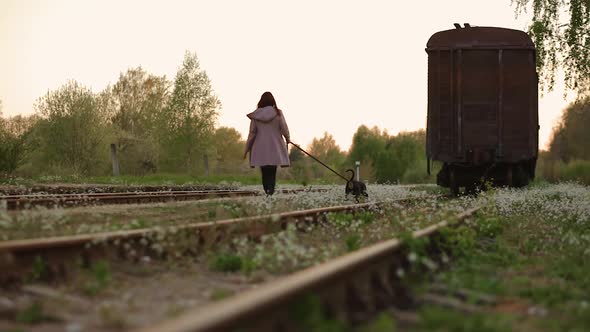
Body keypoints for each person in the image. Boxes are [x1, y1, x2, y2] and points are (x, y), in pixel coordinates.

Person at [244, 91, 290, 195]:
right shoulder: (278, 113)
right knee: (272, 172)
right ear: (273, 101)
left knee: (264, 172)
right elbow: (284, 128)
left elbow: (252, 133)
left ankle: (267, 191)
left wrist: (247, 149)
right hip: (275, 147)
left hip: (260, 148)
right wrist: (288, 138)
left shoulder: (256, 115)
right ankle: (270, 192)